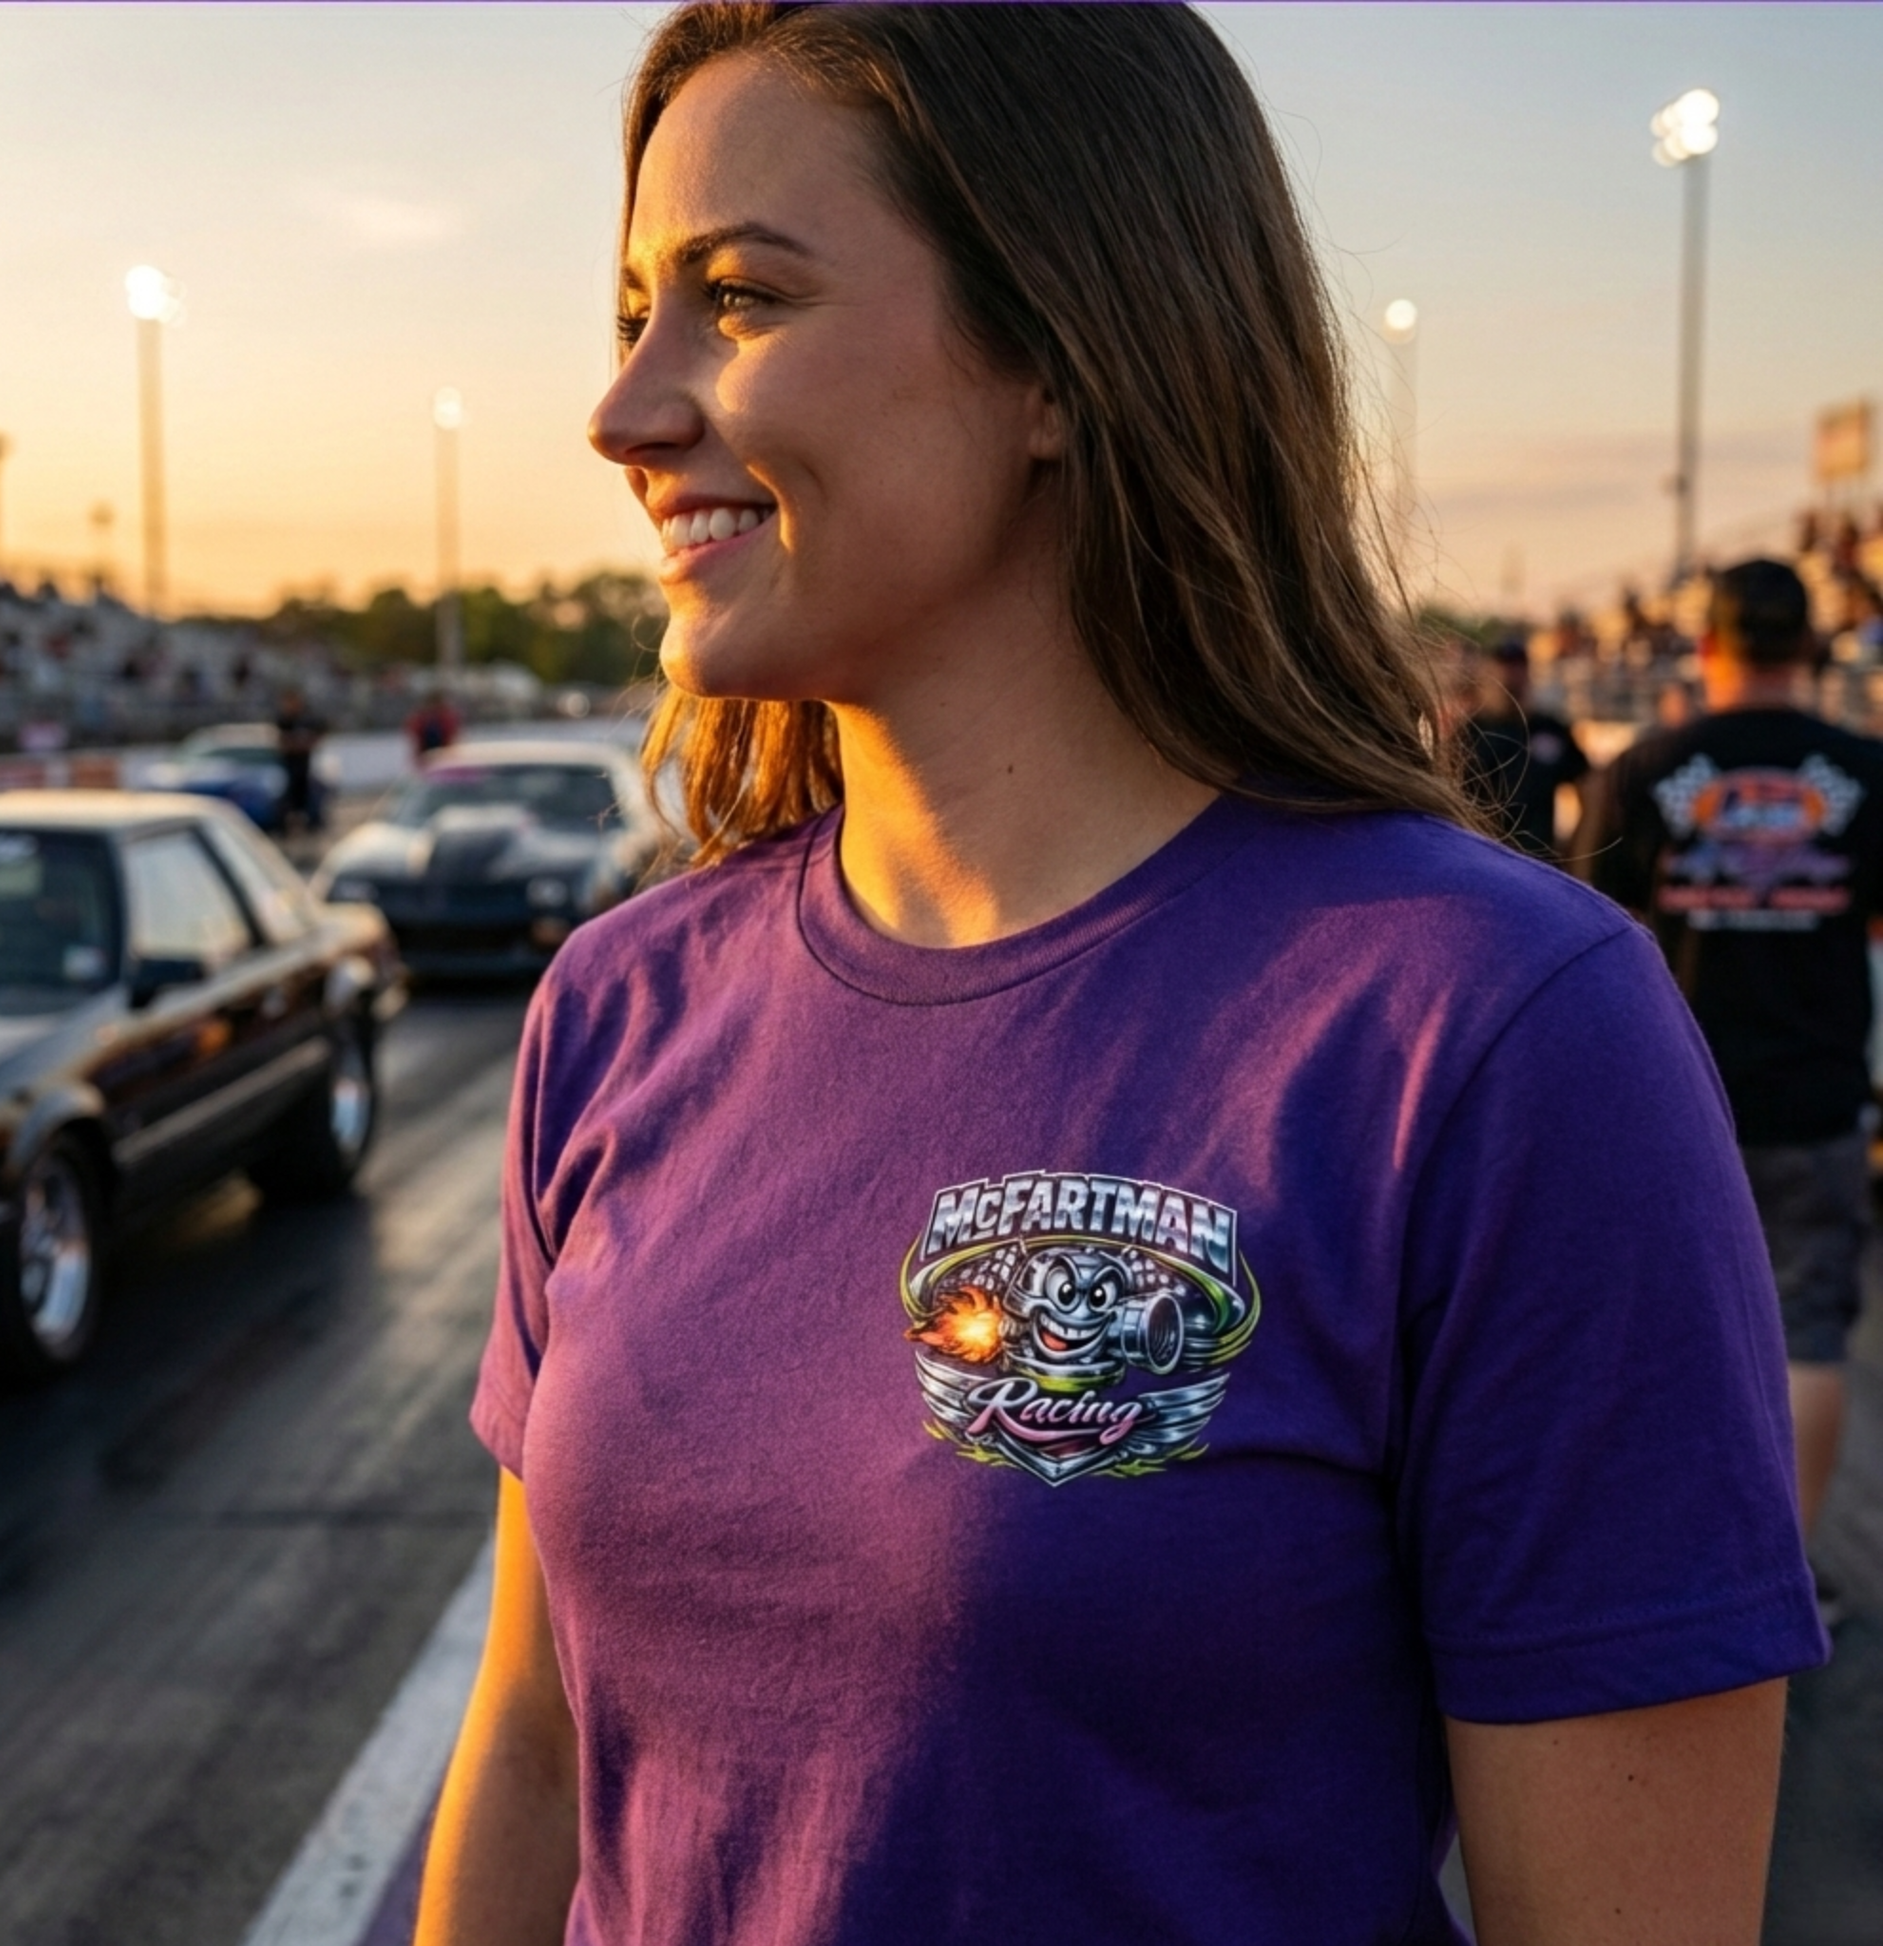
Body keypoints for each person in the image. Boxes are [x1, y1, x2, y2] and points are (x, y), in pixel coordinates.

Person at [419, 12, 1823, 1945]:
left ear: (1061, 357)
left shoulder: (1493, 1033)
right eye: (631, 309)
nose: (627, 410)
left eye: (738, 297)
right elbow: (532, 1746)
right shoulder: (613, 1006)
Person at [1586, 557, 1883, 1555]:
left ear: (1705, 644)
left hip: (1674, 1101)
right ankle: (1784, 1573)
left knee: (1666, 1335)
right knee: (1803, 1336)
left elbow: (1589, 941)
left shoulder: (1646, 766)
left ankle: (1672, 1555)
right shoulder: (1867, 771)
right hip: (1815, 1099)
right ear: (1805, 647)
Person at [1455, 638, 1591, 860]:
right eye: (1504, 665)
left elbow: (1587, 786)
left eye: (1519, 666)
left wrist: (1578, 844)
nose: (1510, 674)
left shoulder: (1550, 728)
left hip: (1539, 858)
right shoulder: (1469, 733)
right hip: (1484, 857)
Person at [273, 684, 326, 833]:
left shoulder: (307, 718)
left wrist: (302, 743)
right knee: (287, 799)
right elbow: (283, 743)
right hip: (288, 767)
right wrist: (297, 743)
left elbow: (316, 737)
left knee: (309, 797)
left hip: (304, 766)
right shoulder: (283, 720)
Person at [407, 688, 462, 762]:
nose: (433, 708)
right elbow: (414, 736)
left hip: (445, 752)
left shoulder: (447, 716)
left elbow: (453, 736)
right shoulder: (420, 718)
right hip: (425, 754)